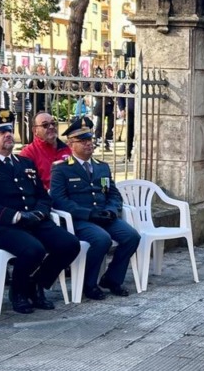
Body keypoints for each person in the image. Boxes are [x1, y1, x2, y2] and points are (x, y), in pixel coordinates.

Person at [0, 113, 80, 314]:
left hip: (34, 220)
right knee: (33, 250)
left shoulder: (24, 163)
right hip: (4, 225)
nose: (8, 135)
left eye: (9, 131)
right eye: (1, 132)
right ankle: (18, 291)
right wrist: (16, 216)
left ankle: (36, 284)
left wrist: (41, 213)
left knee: (69, 244)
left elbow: (43, 196)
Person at [50, 118, 141, 299]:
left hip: (104, 216)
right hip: (81, 220)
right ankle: (88, 284)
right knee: (102, 239)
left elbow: (113, 194)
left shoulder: (102, 167)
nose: (89, 144)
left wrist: (112, 210)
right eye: (82, 141)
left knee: (132, 236)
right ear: (70, 144)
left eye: (90, 140)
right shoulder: (61, 169)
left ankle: (112, 279)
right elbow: (59, 200)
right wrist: (89, 214)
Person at [21, 112, 72, 190]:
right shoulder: (28, 154)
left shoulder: (68, 149)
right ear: (35, 131)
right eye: (45, 125)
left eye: (53, 123)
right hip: (45, 199)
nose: (51, 127)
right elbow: (28, 184)